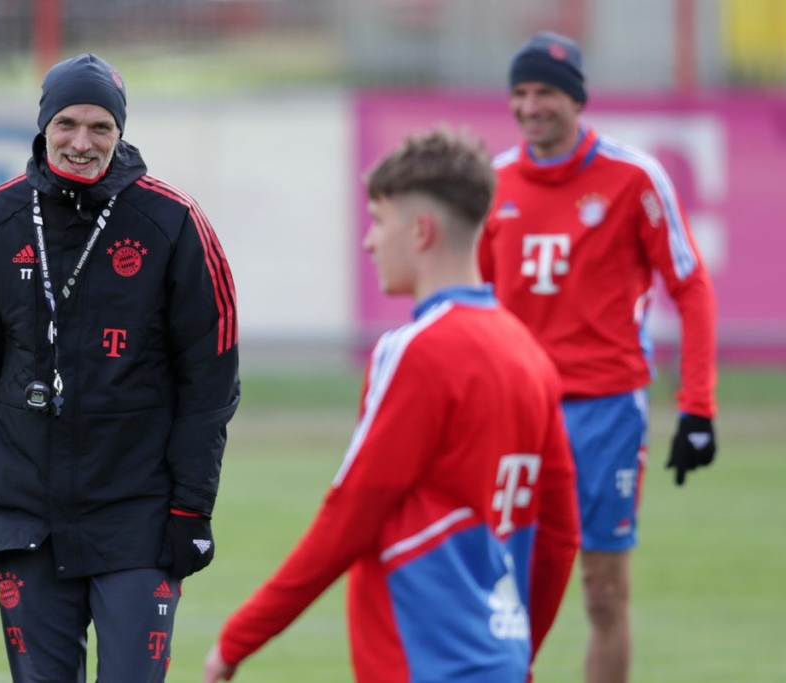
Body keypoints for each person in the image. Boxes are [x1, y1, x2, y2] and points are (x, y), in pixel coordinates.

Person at [203, 127, 580, 683]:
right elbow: (559, 536)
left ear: (421, 231)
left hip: (422, 663)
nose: (369, 242)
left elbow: (349, 516)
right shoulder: (529, 355)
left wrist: (239, 639)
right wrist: (520, 652)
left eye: (379, 221)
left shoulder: (415, 351)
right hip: (500, 658)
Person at [0, 53, 240, 682]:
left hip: (139, 519)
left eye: (101, 127)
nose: (81, 142)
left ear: (121, 132)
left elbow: (211, 378)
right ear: (44, 126)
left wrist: (191, 509)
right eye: (67, 123)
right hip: (25, 520)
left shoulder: (173, 222)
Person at [477, 32, 719, 683]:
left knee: (603, 589)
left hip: (607, 412)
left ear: (577, 98)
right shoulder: (491, 185)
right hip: (517, 413)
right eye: (521, 93)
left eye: (546, 92)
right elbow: (466, 305)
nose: (532, 107)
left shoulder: (632, 178)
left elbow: (690, 285)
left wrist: (697, 407)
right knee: (500, 587)